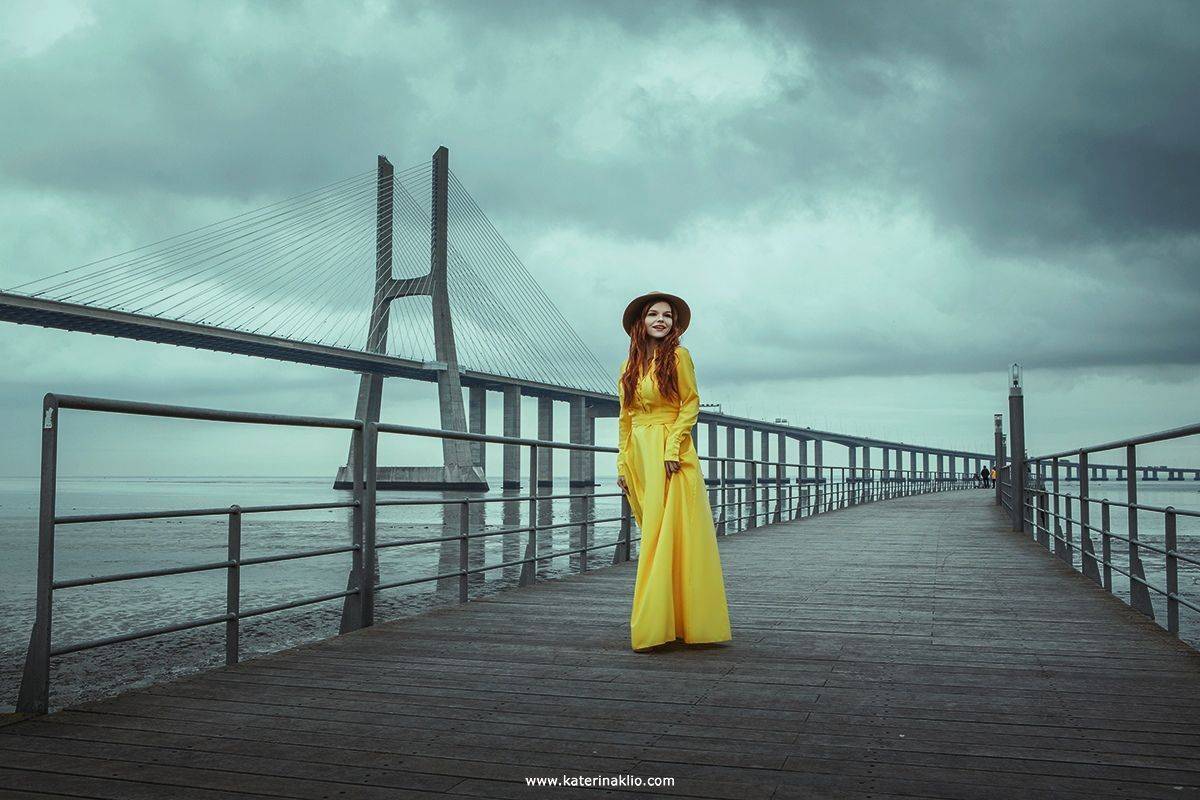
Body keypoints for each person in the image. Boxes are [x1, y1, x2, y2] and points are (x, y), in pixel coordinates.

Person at [616, 290, 732, 652]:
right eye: (653, 314)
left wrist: (672, 447)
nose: (661, 320)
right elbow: (625, 417)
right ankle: (663, 622)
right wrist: (623, 461)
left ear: (674, 324)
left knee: (677, 535)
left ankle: (680, 625)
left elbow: (690, 404)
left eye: (667, 315)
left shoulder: (680, 356)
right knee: (653, 534)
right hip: (640, 452)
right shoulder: (628, 366)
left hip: (672, 452)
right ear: (642, 322)